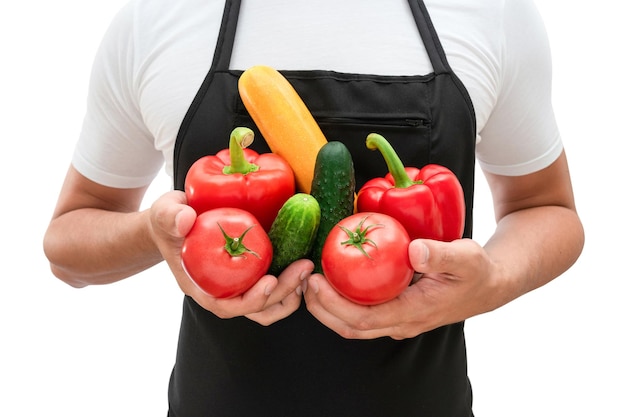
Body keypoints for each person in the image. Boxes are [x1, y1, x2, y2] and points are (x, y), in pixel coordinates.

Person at [43, 0, 584, 415]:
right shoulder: (160, 16)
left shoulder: (489, 12)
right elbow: (66, 248)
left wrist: (494, 281)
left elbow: (548, 208)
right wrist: (157, 233)